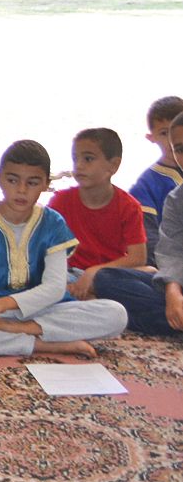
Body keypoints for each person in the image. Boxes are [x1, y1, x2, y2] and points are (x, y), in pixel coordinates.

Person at [0, 140, 127, 358]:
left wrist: (6, 304)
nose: (21, 190)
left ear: (46, 184)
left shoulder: (53, 224)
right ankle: (46, 344)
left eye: (32, 182)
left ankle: (19, 330)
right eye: (12, 180)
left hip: (41, 311)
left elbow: (55, 288)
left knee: (116, 314)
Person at [94, 115, 183, 335]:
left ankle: (162, 322)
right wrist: (173, 291)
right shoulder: (176, 199)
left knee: (125, 314)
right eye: (180, 149)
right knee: (106, 279)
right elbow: (171, 253)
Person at [48, 128, 147, 300]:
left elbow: (138, 257)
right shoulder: (60, 201)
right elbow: (44, 248)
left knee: (150, 274)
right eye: (75, 159)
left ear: (113, 166)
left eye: (88, 159)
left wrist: (94, 272)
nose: (79, 165)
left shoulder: (129, 206)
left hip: (110, 276)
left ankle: (91, 299)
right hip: (70, 274)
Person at [130, 95, 183, 250]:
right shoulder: (145, 187)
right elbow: (149, 240)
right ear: (151, 137)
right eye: (164, 133)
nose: (172, 139)